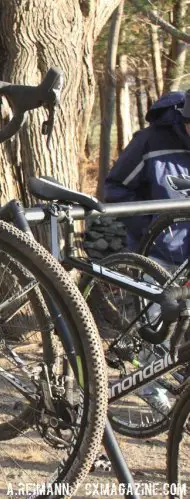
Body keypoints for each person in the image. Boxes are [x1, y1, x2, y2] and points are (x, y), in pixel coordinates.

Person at [103, 90, 190, 416]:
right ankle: (150, 389)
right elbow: (115, 188)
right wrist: (149, 226)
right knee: (159, 329)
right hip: (158, 254)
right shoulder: (151, 142)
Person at [104, 90, 190, 260]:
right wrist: (151, 229)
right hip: (160, 258)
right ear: (186, 119)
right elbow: (115, 189)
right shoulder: (149, 142)